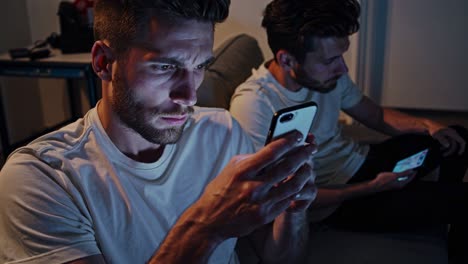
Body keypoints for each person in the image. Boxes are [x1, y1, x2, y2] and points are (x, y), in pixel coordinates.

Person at [0, 1, 318, 263]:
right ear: (103, 62)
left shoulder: (222, 131)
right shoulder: (41, 178)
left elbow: (278, 258)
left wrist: (291, 209)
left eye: (199, 67)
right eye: (165, 67)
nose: (189, 96)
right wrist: (205, 228)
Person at [229, 0, 468, 262]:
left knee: (456, 137)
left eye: (341, 56)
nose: (342, 69)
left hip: (362, 161)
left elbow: (376, 115)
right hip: (337, 202)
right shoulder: (254, 105)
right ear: (287, 59)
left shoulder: (327, 76)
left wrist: (428, 126)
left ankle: (431, 204)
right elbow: (277, 194)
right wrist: (372, 187)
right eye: (331, 60)